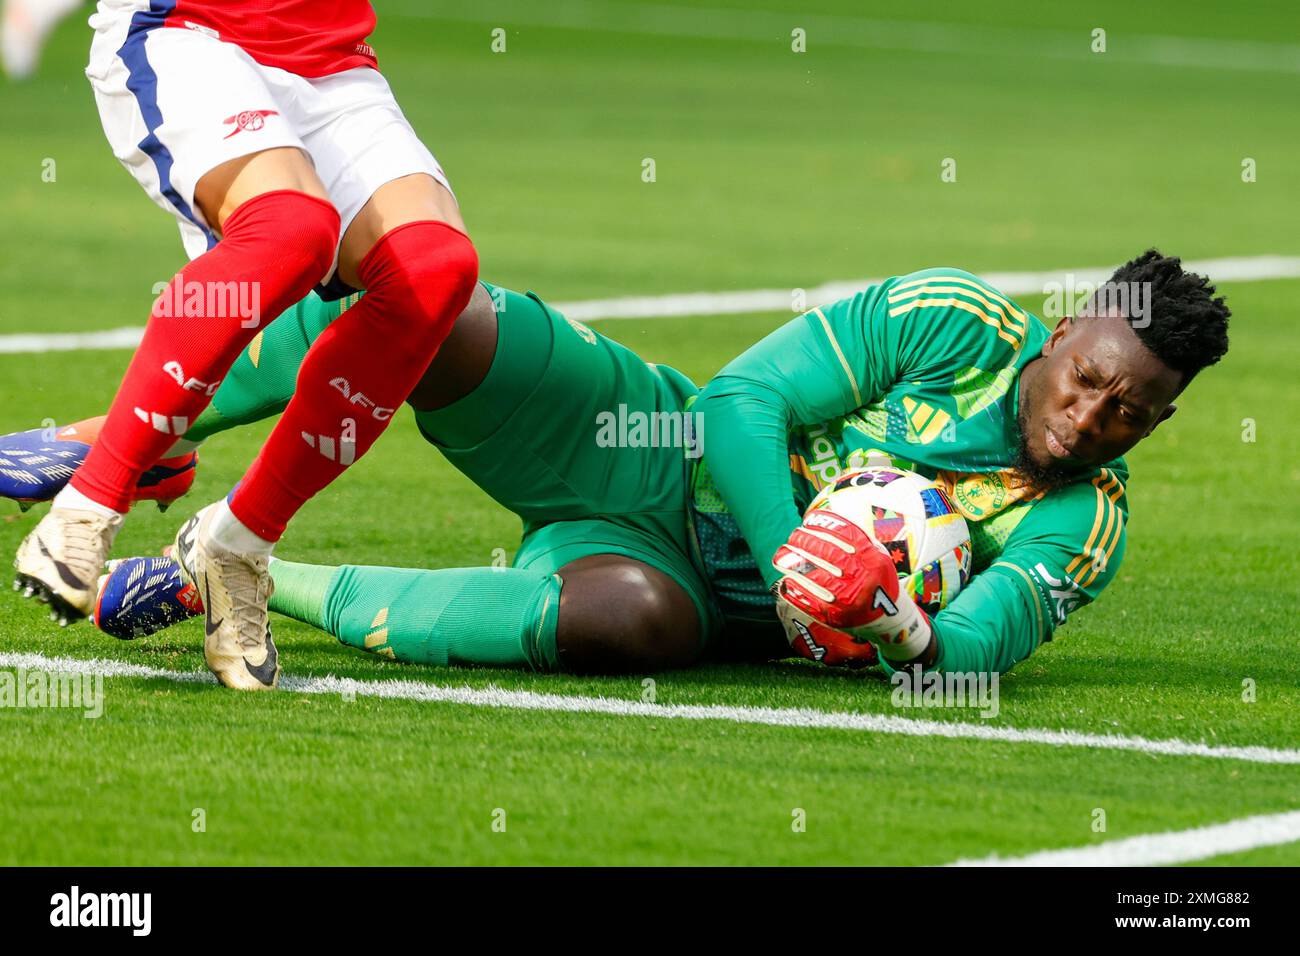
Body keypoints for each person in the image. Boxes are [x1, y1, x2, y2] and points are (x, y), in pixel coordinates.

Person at [8, 251, 1230, 677]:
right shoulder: (953, 319)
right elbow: (746, 398)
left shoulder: (1085, 520)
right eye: (1090, 381)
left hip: (694, 595)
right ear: (1066, 329)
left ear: (1156, 427)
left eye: (1129, 415)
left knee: (633, 619)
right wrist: (793, 549)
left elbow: (978, 650)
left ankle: (248, 573)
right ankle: (126, 442)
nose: (1090, 420)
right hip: (652, 445)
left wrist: (898, 631)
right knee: (441, 311)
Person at [12, 1, 479, 691]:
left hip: (330, 55)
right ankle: (86, 506)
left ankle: (236, 545)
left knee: (435, 270)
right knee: (290, 229)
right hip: (188, 29)